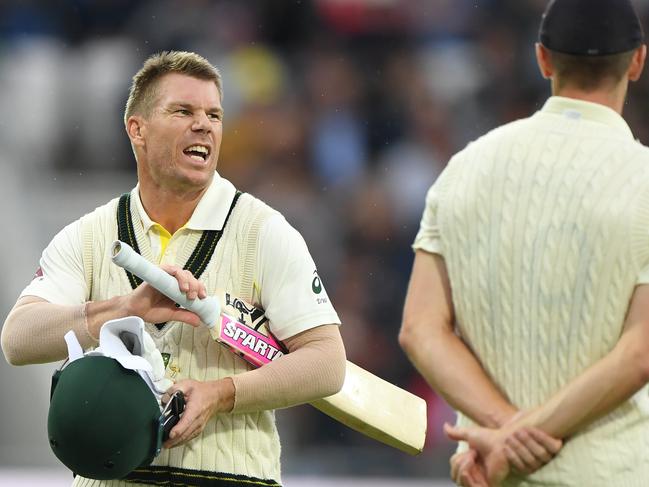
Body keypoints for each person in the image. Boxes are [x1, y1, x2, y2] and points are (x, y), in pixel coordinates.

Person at [1, 50, 346, 487]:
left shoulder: (265, 232)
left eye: (214, 115)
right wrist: (126, 308)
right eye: (183, 111)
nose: (203, 124)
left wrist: (221, 395)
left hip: (228, 478)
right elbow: (18, 340)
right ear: (137, 129)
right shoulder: (88, 236)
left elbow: (327, 362)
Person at [399, 0, 649, 485]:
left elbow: (420, 328)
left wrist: (502, 431)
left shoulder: (463, 169)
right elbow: (639, 354)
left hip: (490, 473)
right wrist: (523, 434)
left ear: (543, 59)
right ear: (637, 61)